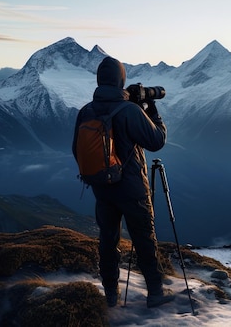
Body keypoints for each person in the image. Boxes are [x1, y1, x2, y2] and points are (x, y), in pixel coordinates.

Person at [72, 56, 175, 308]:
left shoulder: (86, 111)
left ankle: (111, 295)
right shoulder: (130, 110)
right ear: (121, 80)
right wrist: (152, 109)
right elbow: (157, 141)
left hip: (102, 189)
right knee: (144, 239)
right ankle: (155, 293)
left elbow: (77, 149)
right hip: (132, 190)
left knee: (108, 240)